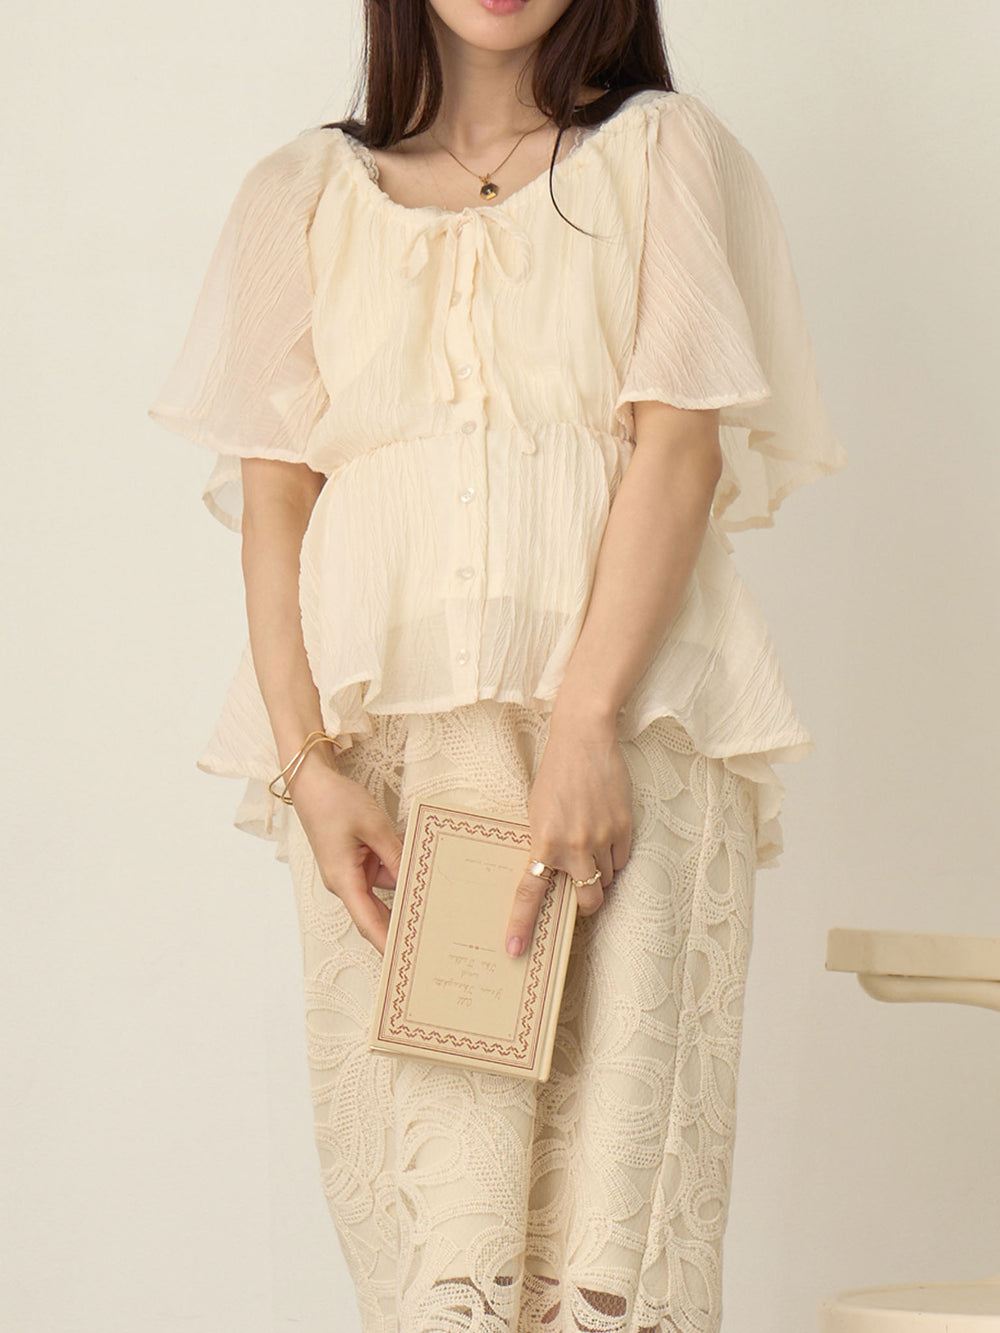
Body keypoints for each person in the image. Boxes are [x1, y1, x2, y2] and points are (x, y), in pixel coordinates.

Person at [148, 0, 848, 1328]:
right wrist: (308, 770)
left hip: (627, 742)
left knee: (611, 1249)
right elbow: (276, 505)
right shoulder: (296, 195)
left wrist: (585, 722)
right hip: (390, 783)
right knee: (437, 1260)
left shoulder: (661, 152)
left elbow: (680, 446)